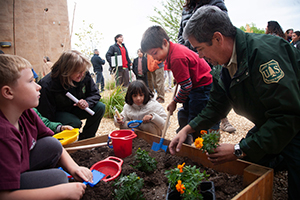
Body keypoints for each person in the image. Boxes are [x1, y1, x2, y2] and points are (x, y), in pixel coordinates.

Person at [169, 6, 300, 199]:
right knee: (256, 159)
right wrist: (187, 129)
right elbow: (215, 106)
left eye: (200, 49)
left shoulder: (263, 56)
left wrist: (240, 149)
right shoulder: (224, 66)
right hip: (271, 123)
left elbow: (288, 116)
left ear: (217, 39)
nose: (199, 56)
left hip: (295, 124)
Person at [0, 54, 92, 199]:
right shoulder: (4, 134)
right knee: (58, 179)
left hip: (19, 166)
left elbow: (52, 142)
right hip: (7, 188)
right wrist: (62, 192)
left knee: (51, 143)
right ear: (8, 92)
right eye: (31, 81)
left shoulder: (27, 114)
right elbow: (4, 196)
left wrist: (75, 168)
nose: (38, 86)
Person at [141, 25, 213, 144]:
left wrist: (174, 102)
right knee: (184, 113)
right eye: (151, 55)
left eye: (154, 53)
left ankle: (203, 147)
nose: (154, 58)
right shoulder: (172, 51)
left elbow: (186, 86)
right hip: (194, 84)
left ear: (164, 43)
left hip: (201, 85)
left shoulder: (176, 57)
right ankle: (184, 140)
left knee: (196, 119)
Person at [177, 0, 235, 133]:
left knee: (213, 93)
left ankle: (220, 121)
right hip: (192, 60)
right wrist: (188, 53)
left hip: (210, 60)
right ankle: (192, 131)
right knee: (194, 100)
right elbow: (181, 35)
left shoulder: (216, 3)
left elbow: (224, 30)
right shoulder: (187, 9)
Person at [37, 50, 106, 140]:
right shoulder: (48, 84)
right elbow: (46, 114)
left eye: (84, 71)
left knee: (100, 107)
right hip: (57, 112)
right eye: (78, 72)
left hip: (76, 107)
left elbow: (95, 93)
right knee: (74, 122)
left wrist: (87, 102)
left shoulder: (83, 75)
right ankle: (69, 140)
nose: (82, 74)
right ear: (67, 70)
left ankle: (87, 138)